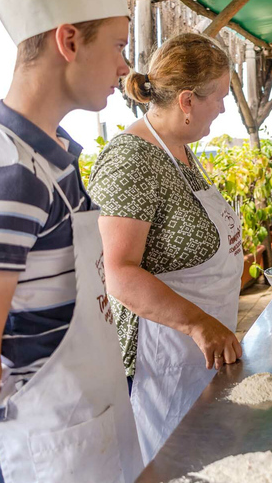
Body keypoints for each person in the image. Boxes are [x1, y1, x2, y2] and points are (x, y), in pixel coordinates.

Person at [0, 0, 144, 480]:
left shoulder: (55, 157)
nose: (125, 67)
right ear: (70, 40)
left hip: (90, 437)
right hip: (41, 454)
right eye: (119, 45)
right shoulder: (9, 171)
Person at [87, 33, 243, 462]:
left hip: (198, 360)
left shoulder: (182, 152)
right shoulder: (132, 160)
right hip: (158, 365)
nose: (224, 108)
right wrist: (199, 324)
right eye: (220, 98)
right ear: (188, 101)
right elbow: (117, 272)